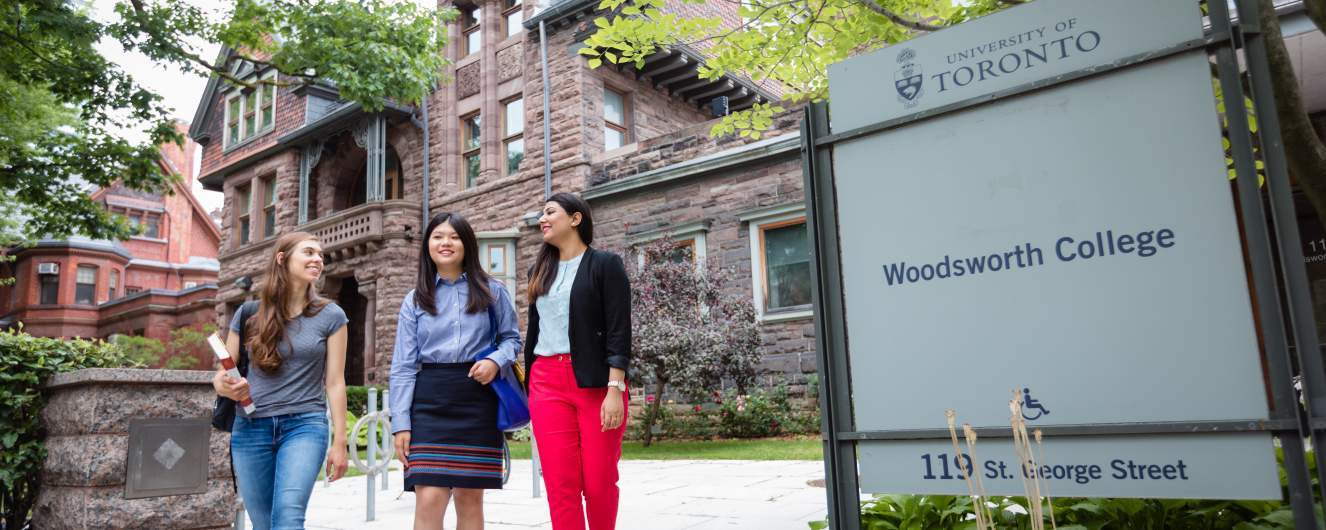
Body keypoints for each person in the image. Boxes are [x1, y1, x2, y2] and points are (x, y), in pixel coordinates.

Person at [391, 211, 522, 530]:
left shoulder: (493, 291)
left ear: (467, 244)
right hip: (430, 401)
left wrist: (495, 361)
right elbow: (403, 366)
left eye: (454, 236)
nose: (445, 243)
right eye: (437, 237)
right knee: (429, 497)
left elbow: (511, 339)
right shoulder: (414, 300)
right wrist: (400, 423)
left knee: (469, 498)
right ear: (427, 245)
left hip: (477, 399)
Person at [213, 231, 350, 530]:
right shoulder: (249, 314)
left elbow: (335, 381)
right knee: (263, 523)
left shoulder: (332, 315)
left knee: (288, 515)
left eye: (321, 256)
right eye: (309, 252)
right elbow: (224, 372)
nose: (318, 260)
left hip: (304, 425)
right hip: (251, 427)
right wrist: (225, 385)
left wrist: (340, 442)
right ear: (282, 259)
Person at [525, 192, 631, 530]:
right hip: (546, 381)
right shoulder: (539, 270)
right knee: (560, 484)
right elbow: (535, 331)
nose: (542, 219)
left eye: (550, 212)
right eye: (541, 213)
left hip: (595, 382)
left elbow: (618, 329)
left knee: (599, 483)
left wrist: (615, 387)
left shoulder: (605, 264)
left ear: (575, 218)